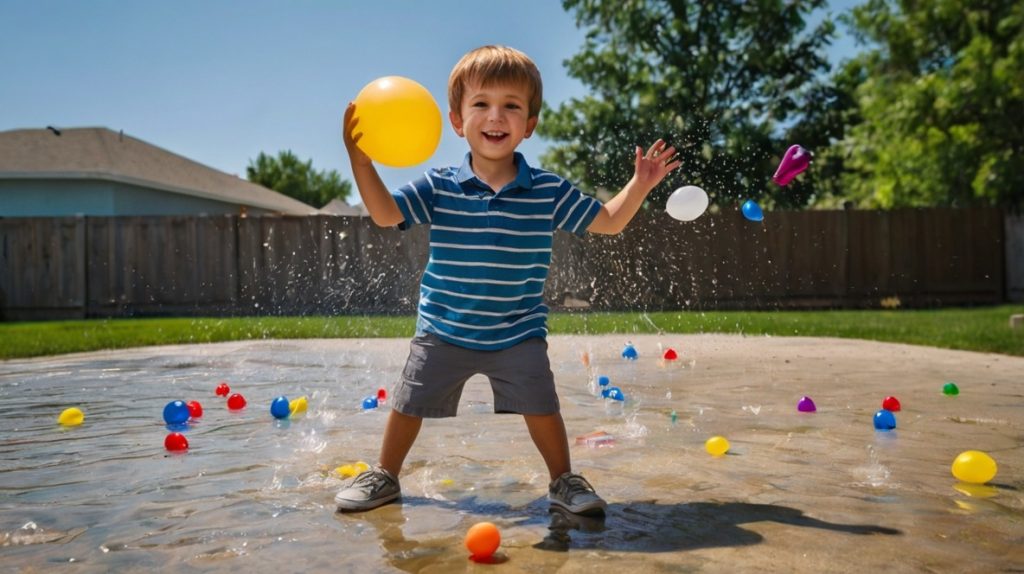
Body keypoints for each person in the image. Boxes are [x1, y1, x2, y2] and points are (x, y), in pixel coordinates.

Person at [335, 45, 680, 515]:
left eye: (511, 106)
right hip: (444, 327)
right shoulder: (439, 185)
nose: (495, 116)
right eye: (481, 104)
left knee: (543, 406)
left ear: (529, 124)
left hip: (518, 330)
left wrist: (640, 184)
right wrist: (361, 163)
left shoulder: (547, 189)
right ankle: (385, 475)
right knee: (408, 403)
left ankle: (563, 481)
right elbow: (384, 213)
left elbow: (609, 220)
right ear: (457, 120)